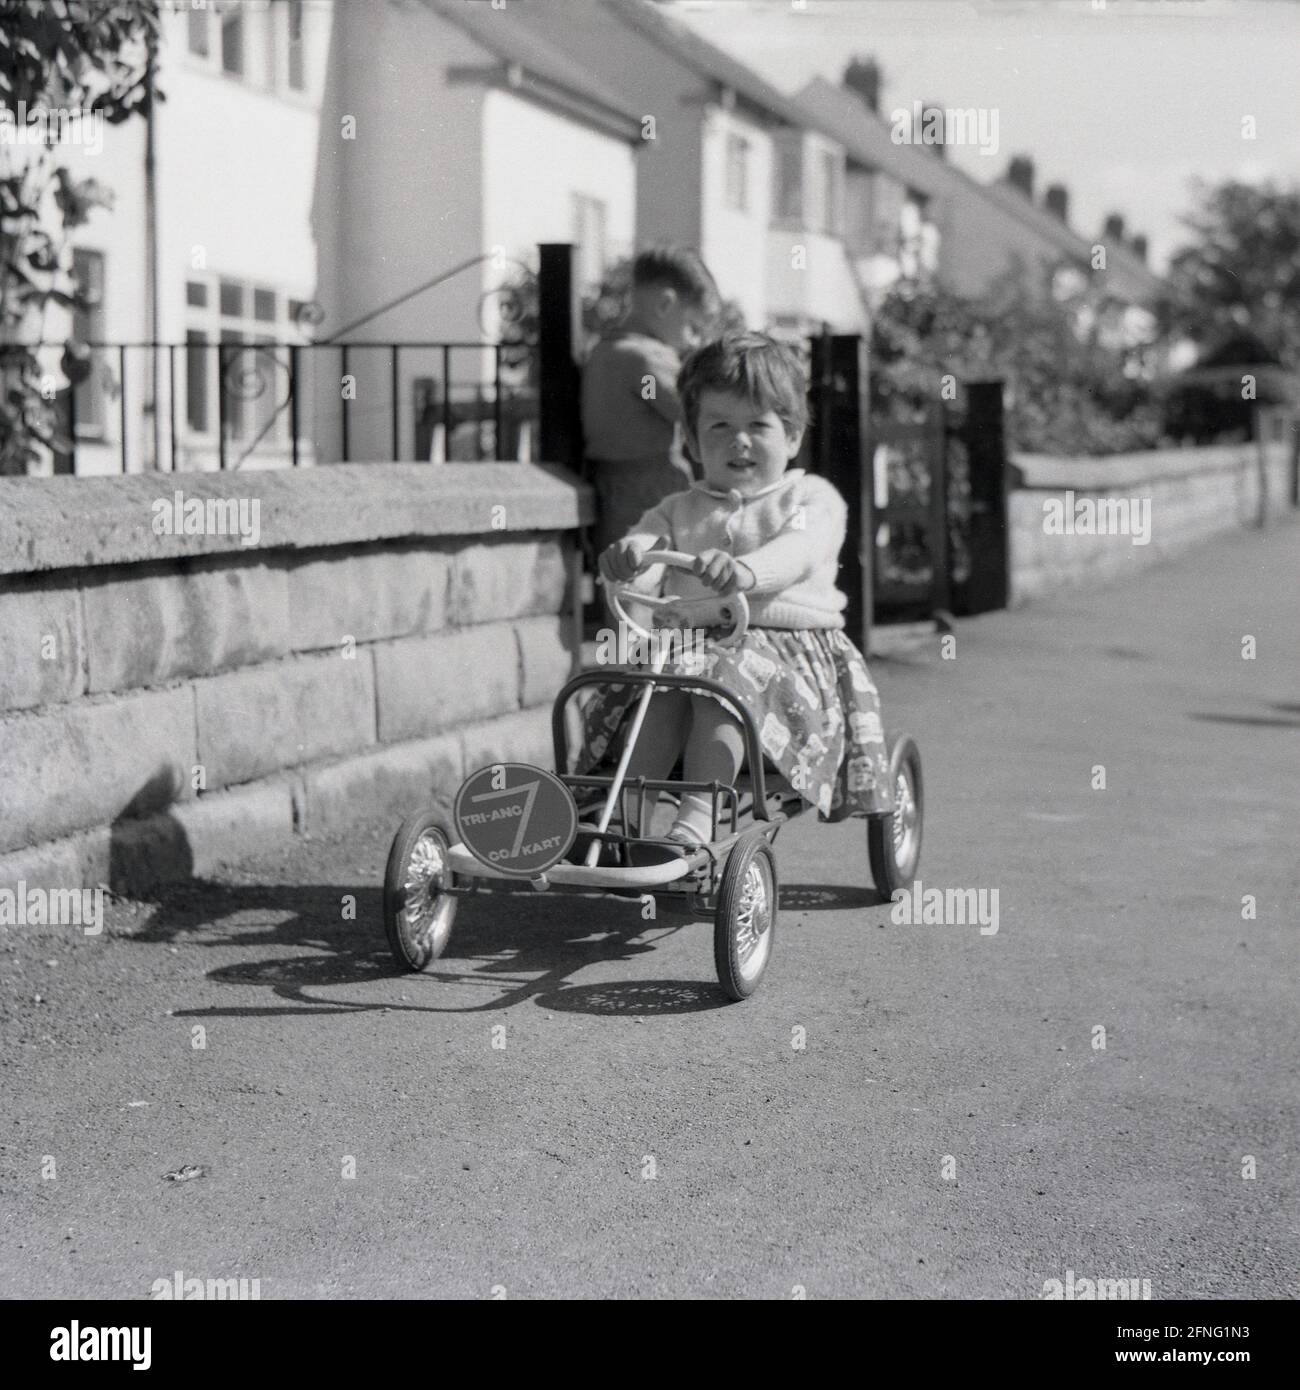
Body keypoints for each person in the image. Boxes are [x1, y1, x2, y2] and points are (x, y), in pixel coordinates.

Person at [584, 331, 895, 853]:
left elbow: (799, 548)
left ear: (792, 436)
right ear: (692, 439)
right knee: (663, 684)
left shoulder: (808, 497)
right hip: (689, 654)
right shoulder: (680, 507)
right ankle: (621, 820)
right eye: (720, 426)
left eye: (758, 425)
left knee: (714, 676)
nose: (739, 441)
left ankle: (697, 821)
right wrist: (628, 560)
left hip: (784, 658)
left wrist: (744, 573)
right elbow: (647, 545)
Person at [581, 246, 719, 558]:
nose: (695, 341)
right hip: (651, 490)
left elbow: (645, 398)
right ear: (665, 303)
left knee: (625, 582)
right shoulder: (644, 362)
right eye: (694, 328)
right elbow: (684, 409)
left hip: (612, 490)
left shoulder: (605, 351)